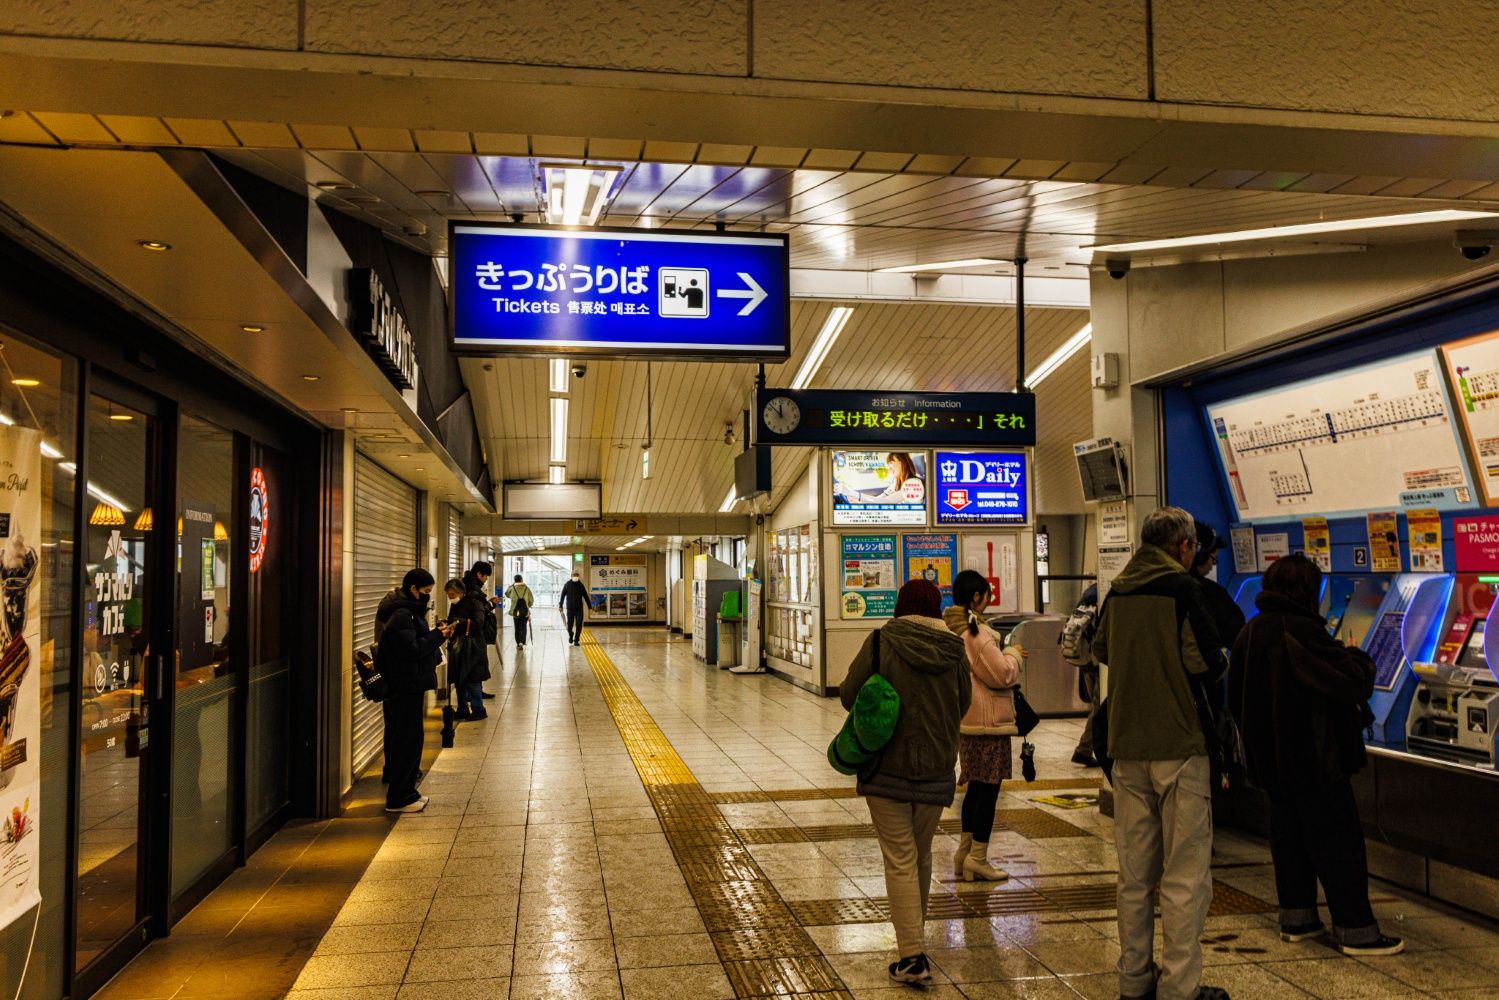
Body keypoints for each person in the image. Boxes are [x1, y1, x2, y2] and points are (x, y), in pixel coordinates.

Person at [1228, 554, 1403, 956]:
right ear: (1308, 590)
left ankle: (1298, 918)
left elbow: (1236, 698)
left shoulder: (1250, 632)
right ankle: (1356, 929)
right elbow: (1348, 682)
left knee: (1288, 840)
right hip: (1314, 760)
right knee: (1337, 843)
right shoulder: (1302, 631)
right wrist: (1358, 656)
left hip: (1271, 763)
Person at [1091, 506, 1230, 1000]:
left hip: (1126, 747)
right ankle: (1179, 988)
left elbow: (1100, 649)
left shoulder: (1120, 590)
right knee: (1185, 873)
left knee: (1134, 873)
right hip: (1179, 745)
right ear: (1186, 547)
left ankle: (1133, 980)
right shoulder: (1183, 589)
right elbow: (1205, 662)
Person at [839, 579, 969, 985]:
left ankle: (912, 956)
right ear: (936, 610)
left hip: (886, 770)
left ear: (899, 606)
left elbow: (848, 695)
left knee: (899, 858)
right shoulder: (955, 649)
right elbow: (962, 703)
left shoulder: (881, 642)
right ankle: (915, 941)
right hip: (935, 771)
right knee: (921, 855)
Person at [943, 569, 1025, 883]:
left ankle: (964, 855)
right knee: (987, 791)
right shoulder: (976, 633)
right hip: (987, 723)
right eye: (986, 597)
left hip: (968, 720)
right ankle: (978, 859)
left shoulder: (953, 628)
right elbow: (1002, 674)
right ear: (976, 598)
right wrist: (1013, 654)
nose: (988, 603)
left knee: (976, 788)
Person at [375, 568, 454, 813]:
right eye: (426, 592)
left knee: (408, 740)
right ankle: (399, 798)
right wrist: (436, 636)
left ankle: (407, 791)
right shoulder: (402, 615)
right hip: (404, 686)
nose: (428, 597)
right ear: (413, 589)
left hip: (408, 685)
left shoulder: (406, 613)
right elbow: (411, 651)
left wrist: (435, 635)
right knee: (406, 742)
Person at [1061, 582, 1102, 767]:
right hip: (1098, 662)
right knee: (1099, 708)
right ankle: (1084, 750)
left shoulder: (1087, 596)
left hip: (1085, 661)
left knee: (1097, 707)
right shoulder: (1104, 594)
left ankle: (1087, 749)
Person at [443, 577, 490, 720]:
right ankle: (462, 708)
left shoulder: (475, 603)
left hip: (473, 647)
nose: (451, 598)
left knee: (472, 679)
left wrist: (459, 622)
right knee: (459, 680)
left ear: (461, 592)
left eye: (452, 595)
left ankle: (478, 710)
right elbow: (453, 619)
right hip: (459, 647)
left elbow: (478, 623)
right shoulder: (455, 605)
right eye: (448, 595)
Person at [464, 561, 500, 698]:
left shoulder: (469, 585)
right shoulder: (472, 589)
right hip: (473, 632)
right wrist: (490, 603)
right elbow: (478, 611)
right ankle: (474, 696)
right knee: (475, 664)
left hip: (473, 631)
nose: (486, 580)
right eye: (486, 577)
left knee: (476, 664)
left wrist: (488, 603)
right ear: (479, 574)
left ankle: (477, 692)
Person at [836, 452, 923, 504]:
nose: (889, 467)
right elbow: (878, 500)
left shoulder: (914, 483)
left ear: (903, 462)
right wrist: (858, 503)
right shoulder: (896, 483)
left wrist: (851, 493)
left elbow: (887, 502)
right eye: (888, 463)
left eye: (891, 462)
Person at [559, 570, 590, 646]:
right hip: (570, 609)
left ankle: (576, 640)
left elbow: (585, 596)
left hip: (579, 609)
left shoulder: (581, 585)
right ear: (571, 576)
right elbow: (562, 595)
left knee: (579, 624)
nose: (575, 576)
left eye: (577, 575)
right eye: (574, 575)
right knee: (569, 625)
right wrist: (560, 605)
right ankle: (571, 634)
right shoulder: (567, 585)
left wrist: (589, 606)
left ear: (578, 576)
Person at [505, 573, 534, 649]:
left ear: (514, 581)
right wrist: (528, 606)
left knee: (517, 627)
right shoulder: (526, 588)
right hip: (525, 612)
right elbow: (531, 600)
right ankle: (521, 642)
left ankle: (518, 643)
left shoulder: (512, 589)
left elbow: (506, 594)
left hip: (515, 612)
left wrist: (512, 585)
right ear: (522, 580)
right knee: (523, 627)